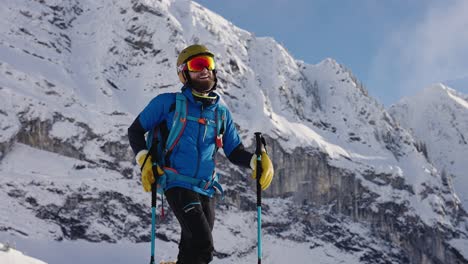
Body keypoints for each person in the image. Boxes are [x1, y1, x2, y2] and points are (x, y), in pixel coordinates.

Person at [128, 44, 274, 264]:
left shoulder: (221, 113)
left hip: (206, 187)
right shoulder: (167, 103)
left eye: (209, 64)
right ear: (184, 73)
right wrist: (144, 160)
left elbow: (234, 151)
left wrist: (256, 161)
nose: (205, 70)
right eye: (197, 65)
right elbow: (136, 130)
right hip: (176, 182)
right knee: (203, 244)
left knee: (192, 248)